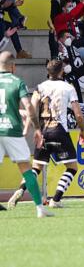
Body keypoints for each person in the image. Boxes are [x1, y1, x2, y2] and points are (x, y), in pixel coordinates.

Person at [8, 59, 84, 209]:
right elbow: (79, 115)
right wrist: (82, 131)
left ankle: (20, 190)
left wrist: (33, 128)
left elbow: (31, 109)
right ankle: (56, 200)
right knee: (72, 168)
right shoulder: (68, 87)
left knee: (35, 168)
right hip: (59, 130)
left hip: (44, 131)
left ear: (48, 72)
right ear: (62, 71)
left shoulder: (40, 87)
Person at [0, 52, 53, 217]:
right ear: (13, 66)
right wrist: (37, 128)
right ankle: (40, 209)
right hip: (12, 131)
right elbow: (29, 106)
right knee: (26, 169)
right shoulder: (17, 82)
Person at [57, 31, 84, 109]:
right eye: (67, 37)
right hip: (68, 79)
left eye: (70, 37)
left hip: (78, 75)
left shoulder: (73, 47)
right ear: (61, 39)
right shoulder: (58, 49)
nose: (69, 39)